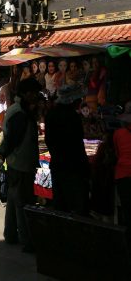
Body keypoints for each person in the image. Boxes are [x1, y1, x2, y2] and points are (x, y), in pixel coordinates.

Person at [0, 78, 41, 252]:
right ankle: (26, 240)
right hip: (20, 163)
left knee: (14, 200)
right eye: (34, 93)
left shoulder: (20, 110)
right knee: (23, 202)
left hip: (18, 163)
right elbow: (12, 139)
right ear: (25, 93)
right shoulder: (19, 113)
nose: (36, 96)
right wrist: (2, 155)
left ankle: (11, 234)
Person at [45, 84, 90, 215]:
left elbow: (49, 141)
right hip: (74, 167)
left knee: (60, 205)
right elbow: (77, 143)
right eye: (78, 100)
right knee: (77, 206)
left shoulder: (51, 115)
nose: (80, 102)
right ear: (73, 101)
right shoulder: (73, 117)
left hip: (58, 165)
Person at [114, 113, 131, 241]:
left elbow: (117, 153)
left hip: (123, 174)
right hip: (124, 172)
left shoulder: (118, 133)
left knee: (126, 207)